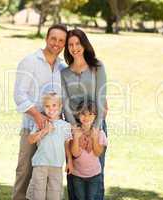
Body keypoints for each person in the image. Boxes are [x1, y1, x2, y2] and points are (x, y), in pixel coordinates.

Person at [12, 24, 68, 200]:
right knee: (25, 171)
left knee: (50, 177)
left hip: (54, 133)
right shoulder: (30, 61)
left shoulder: (63, 68)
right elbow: (19, 94)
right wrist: (37, 115)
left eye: (61, 41)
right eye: (53, 39)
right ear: (46, 38)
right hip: (32, 128)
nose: (56, 43)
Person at [61, 28, 107, 200]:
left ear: (84, 44)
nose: (74, 48)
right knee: (75, 174)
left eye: (78, 43)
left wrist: (94, 130)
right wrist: (76, 131)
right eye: (70, 45)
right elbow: (65, 104)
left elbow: (101, 98)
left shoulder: (97, 67)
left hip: (96, 124)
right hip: (74, 127)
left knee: (96, 172)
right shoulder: (63, 73)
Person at [26, 93, 73, 200]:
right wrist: (44, 131)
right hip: (40, 163)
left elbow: (66, 145)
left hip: (57, 165)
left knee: (55, 194)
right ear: (43, 107)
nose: (51, 109)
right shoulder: (40, 122)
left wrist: (69, 161)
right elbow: (30, 140)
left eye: (54, 105)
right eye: (47, 106)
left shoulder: (65, 126)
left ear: (60, 107)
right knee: (38, 194)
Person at [70, 100, 108, 200]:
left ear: (95, 116)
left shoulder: (100, 133)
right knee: (80, 198)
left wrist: (95, 139)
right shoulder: (75, 132)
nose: (86, 118)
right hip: (77, 175)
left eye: (90, 114)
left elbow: (98, 153)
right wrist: (76, 139)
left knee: (91, 198)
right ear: (78, 115)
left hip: (94, 175)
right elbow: (75, 153)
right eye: (83, 114)